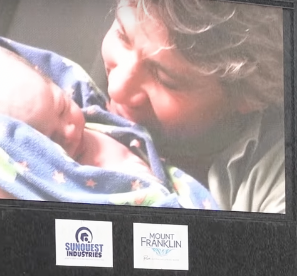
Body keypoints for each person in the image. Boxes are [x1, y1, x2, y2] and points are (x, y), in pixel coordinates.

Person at [0, 43, 217, 210]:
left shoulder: (95, 116)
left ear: (51, 80)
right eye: (52, 140)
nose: (70, 131)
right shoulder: (55, 182)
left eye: (62, 108)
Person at [101, 0, 285, 213]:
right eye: (122, 36)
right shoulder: (59, 90)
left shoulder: (283, 188)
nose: (116, 89)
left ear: (250, 96)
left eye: (165, 79)